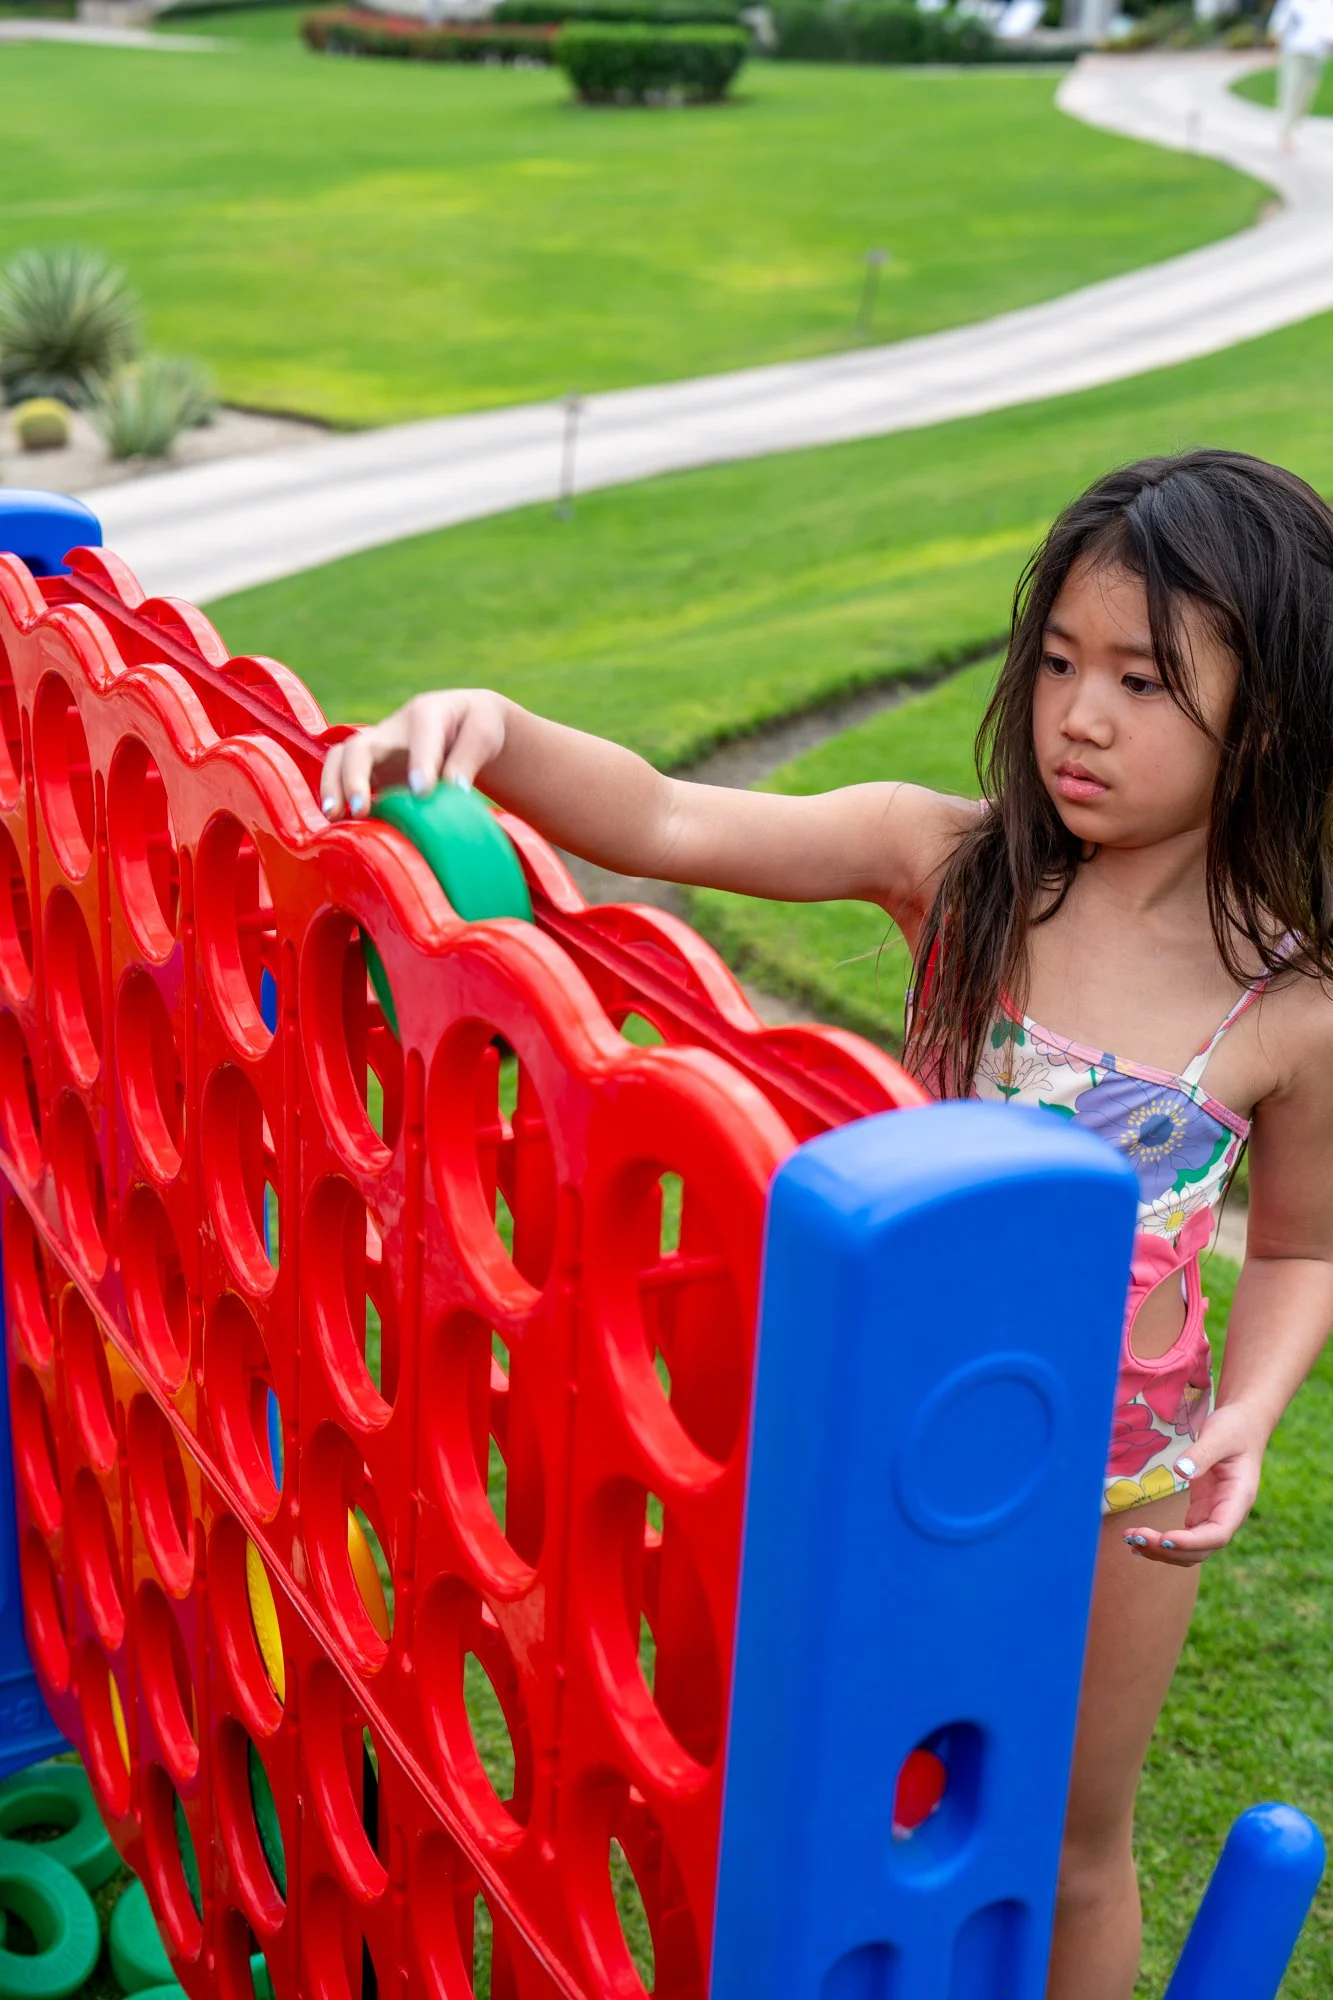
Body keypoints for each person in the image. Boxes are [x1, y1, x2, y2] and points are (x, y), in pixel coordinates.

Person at [320, 450, 1333, 2000]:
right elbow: (662, 817)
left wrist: (1248, 1417)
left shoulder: (1292, 1005)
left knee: (1070, 1843)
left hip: (1125, 1483)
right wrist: (498, 733)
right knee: (829, 1782)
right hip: (885, 1439)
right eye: (1058, 661)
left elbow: (1299, 1245)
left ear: (1269, 712)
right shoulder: (949, 865)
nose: (1077, 714)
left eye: (1143, 680)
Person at [1270, 0, 1333, 150]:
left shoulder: (1326, 3)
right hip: (1295, 52)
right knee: (1291, 91)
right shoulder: (1291, 3)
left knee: (1306, 95)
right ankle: (1285, 133)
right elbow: (1278, 26)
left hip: (1317, 54)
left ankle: (1293, 127)